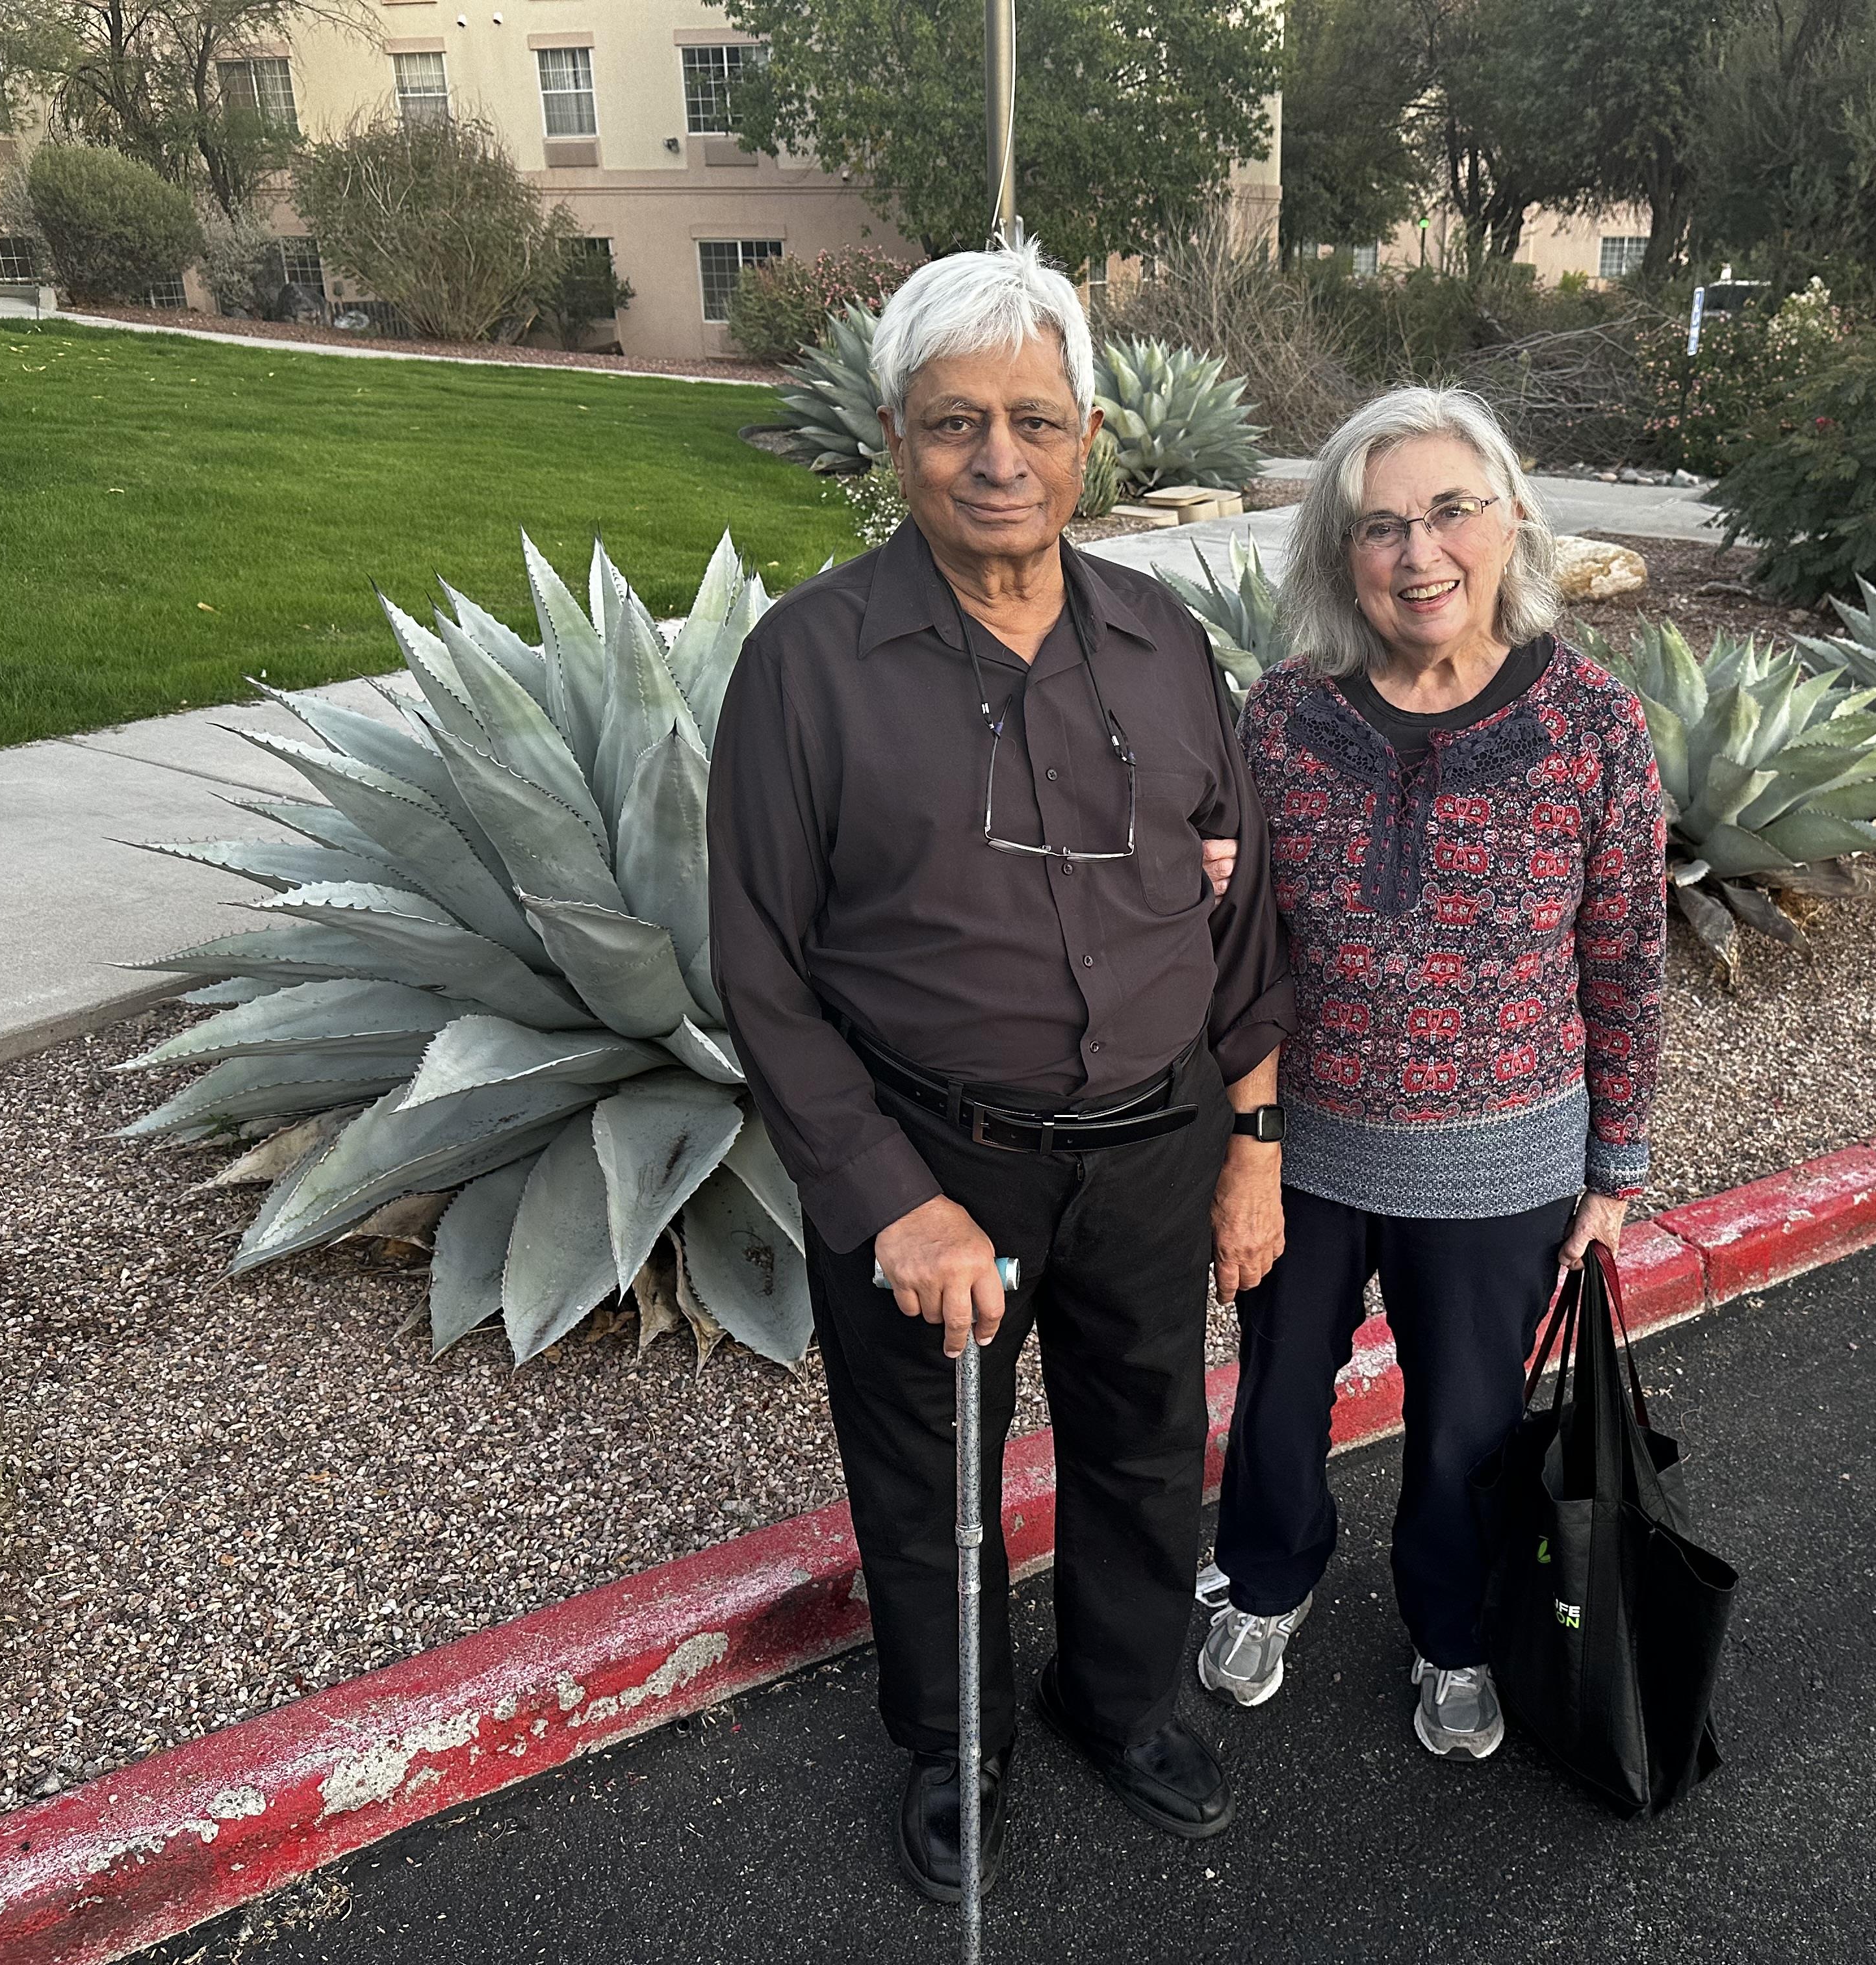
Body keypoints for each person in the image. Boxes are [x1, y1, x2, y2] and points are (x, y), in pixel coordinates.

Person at [706, 238, 1294, 1903]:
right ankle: (956, 1740)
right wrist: (891, 1202)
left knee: (1141, 1437)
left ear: (1090, 436)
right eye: (956, 421)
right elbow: (759, 962)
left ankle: (1124, 1700)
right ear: (895, 438)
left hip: (1157, 1142)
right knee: (928, 1477)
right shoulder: (808, 668)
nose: (998, 457)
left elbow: (1238, 903)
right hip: (936, 1156)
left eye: (1034, 418)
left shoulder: (1161, 641)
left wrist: (1249, 1138)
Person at [1196, 386, 1667, 1760]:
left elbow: (1627, 958)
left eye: (1450, 511)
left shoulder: (1594, 725)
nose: (1419, 554)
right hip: (1310, 1145)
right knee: (1282, 1394)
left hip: (1506, 1160)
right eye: (1380, 526)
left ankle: (1454, 1632)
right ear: (1341, 557)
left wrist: (1615, 1170)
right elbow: (1234, 948)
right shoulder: (1282, 718)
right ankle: (1268, 1583)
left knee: (1468, 1421)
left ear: (1509, 516)